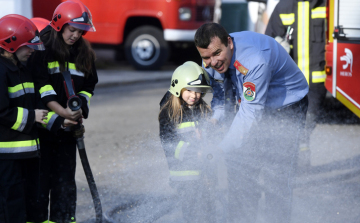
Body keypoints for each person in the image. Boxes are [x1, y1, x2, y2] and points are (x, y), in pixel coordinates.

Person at [194, 23, 309, 223]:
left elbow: (250, 114)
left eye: (217, 54)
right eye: (206, 57)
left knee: (276, 177)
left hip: (286, 107)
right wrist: (212, 122)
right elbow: (221, 101)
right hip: (251, 106)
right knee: (241, 175)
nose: (213, 62)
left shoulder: (255, 60)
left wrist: (221, 149)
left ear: (229, 42)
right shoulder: (211, 59)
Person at [25, 0, 98, 222]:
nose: (75, 35)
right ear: (59, 24)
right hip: (44, 128)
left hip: (68, 130)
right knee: (40, 183)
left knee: (65, 182)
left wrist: (80, 106)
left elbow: (89, 84)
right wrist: (63, 115)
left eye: (80, 32)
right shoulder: (42, 49)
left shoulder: (83, 53)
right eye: (72, 29)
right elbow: (42, 87)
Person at [265, 0, 327, 169]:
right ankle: (294, 163)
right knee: (290, 122)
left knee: (308, 121)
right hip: (289, 82)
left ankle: (300, 159)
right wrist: (278, 46)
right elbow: (268, 40)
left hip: (317, 80)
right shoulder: (283, 7)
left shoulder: (327, 5)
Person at [0, 14, 48, 222]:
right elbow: (1, 111)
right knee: (10, 205)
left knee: (26, 203)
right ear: (11, 44)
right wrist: (32, 117)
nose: (31, 51)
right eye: (28, 46)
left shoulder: (20, 69)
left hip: (24, 154)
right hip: (6, 156)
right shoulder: (2, 72)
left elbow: (32, 101)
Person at [159, 61, 215, 223]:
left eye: (198, 91)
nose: (194, 95)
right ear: (178, 87)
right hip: (184, 177)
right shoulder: (170, 112)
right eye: (189, 90)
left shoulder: (202, 109)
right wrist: (192, 152)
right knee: (192, 214)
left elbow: (210, 139)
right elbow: (168, 141)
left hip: (204, 174)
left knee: (209, 211)